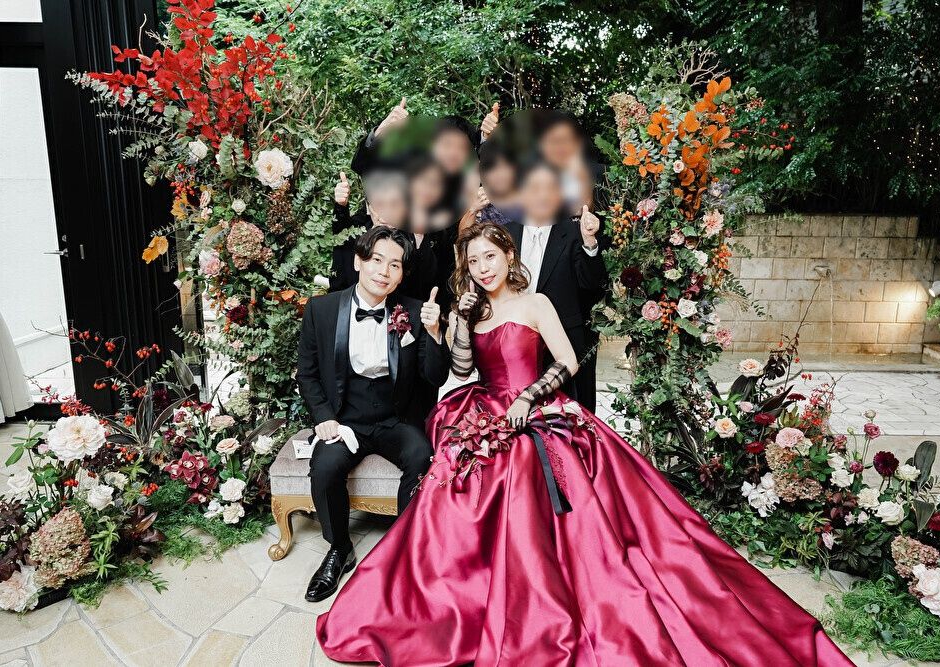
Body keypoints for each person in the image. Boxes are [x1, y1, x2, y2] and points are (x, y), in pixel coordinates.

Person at [314, 221, 855, 666]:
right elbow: (460, 369)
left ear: (507, 255)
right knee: (455, 473)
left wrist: (530, 398)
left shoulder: (536, 303)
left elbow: (568, 361)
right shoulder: (474, 309)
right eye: (473, 261)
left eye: (489, 257)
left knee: (536, 475)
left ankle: (547, 589)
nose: (482, 268)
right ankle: (450, 593)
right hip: (486, 406)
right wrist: (458, 322)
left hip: (539, 407)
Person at [296, 225, 450, 603]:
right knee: (325, 466)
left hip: (394, 417)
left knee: (422, 456)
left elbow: (435, 377)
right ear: (358, 262)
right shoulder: (322, 310)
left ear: (401, 274)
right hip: (345, 418)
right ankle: (339, 548)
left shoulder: (413, 311)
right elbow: (308, 374)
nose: (384, 271)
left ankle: (402, 547)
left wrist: (434, 332)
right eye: (377, 260)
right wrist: (323, 417)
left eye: (394, 265)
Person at [504, 160, 608, 410]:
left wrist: (590, 243)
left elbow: (592, 284)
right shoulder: (504, 234)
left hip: (565, 342)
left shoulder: (574, 232)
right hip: (514, 341)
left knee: (570, 415)